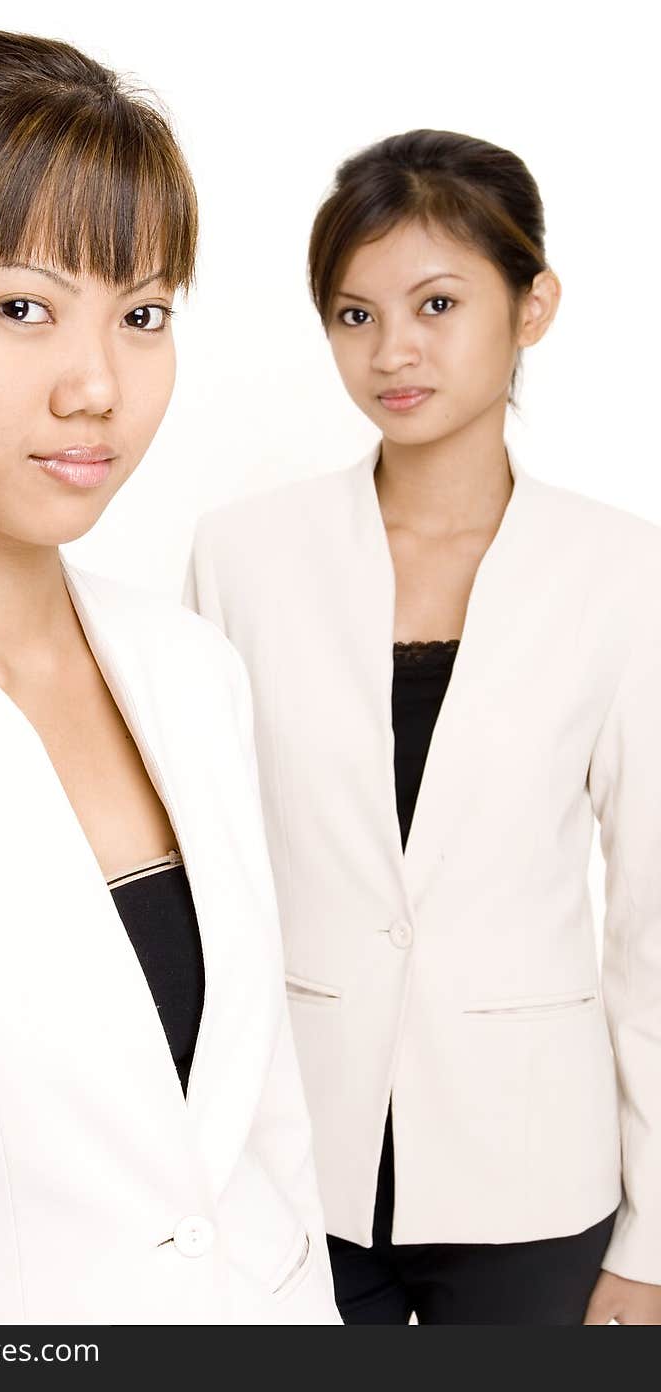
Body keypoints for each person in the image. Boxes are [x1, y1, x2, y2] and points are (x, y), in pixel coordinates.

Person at [0, 28, 340, 1326]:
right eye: (23, 307)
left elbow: (264, 1147)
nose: (98, 384)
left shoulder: (194, 672)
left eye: (142, 315)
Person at [182, 128, 661, 1324]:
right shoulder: (244, 557)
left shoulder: (622, 574)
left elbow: (651, 922)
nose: (391, 351)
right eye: (353, 315)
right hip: (286, 1169)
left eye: (436, 303)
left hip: (534, 1178)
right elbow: (205, 884)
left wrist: (651, 1243)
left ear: (532, 305)